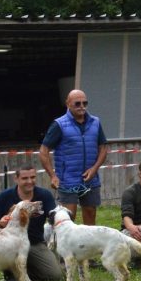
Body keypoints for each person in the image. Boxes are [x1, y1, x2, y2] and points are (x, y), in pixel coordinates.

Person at [38, 88, 108, 225]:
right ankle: (63, 246)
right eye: (77, 103)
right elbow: (43, 150)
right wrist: (52, 176)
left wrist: (94, 169)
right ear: (68, 103)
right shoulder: (59, 124)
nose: (82, 106)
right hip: (67, 179)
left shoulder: (96, 122)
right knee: (67, 220)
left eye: (85, 103)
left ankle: (88, 245)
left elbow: (103, 147)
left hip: (90, 179)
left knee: (90, 215)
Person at [0, 165, 64, 281]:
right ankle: (11, 275)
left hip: (34, 243)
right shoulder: (5, 196)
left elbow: (55, 217)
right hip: (11, 242)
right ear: (16, 179)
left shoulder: (44, 195)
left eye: (32, 177)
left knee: (55, 275)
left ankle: (24, 272)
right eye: (24, 178)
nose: (29, 181)